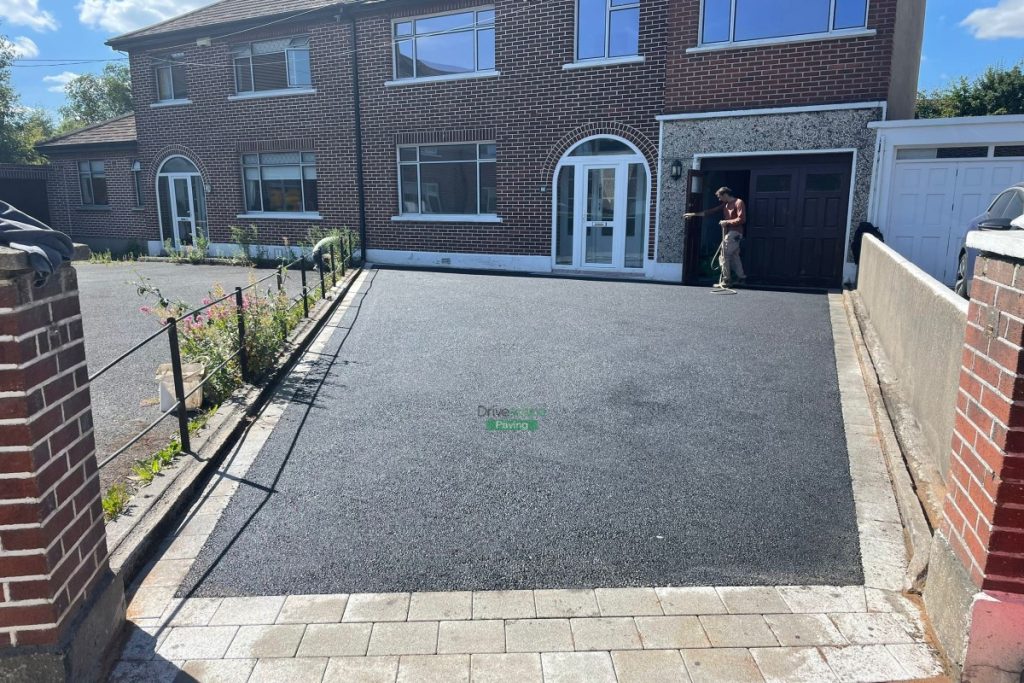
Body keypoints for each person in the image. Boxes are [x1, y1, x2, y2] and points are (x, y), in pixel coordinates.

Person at [685, 187, 747, 289]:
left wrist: (726, 222)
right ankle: (741, 278)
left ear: (725, 194)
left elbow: (742, 219)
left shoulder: (738, 202)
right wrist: (693, 214)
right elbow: (711, 211)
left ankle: (726, 280)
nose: (719, 199)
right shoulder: (725, 205)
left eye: (720, 197)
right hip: (730, 233)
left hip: (735, 233)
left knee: (724, 255)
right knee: (734, 256)